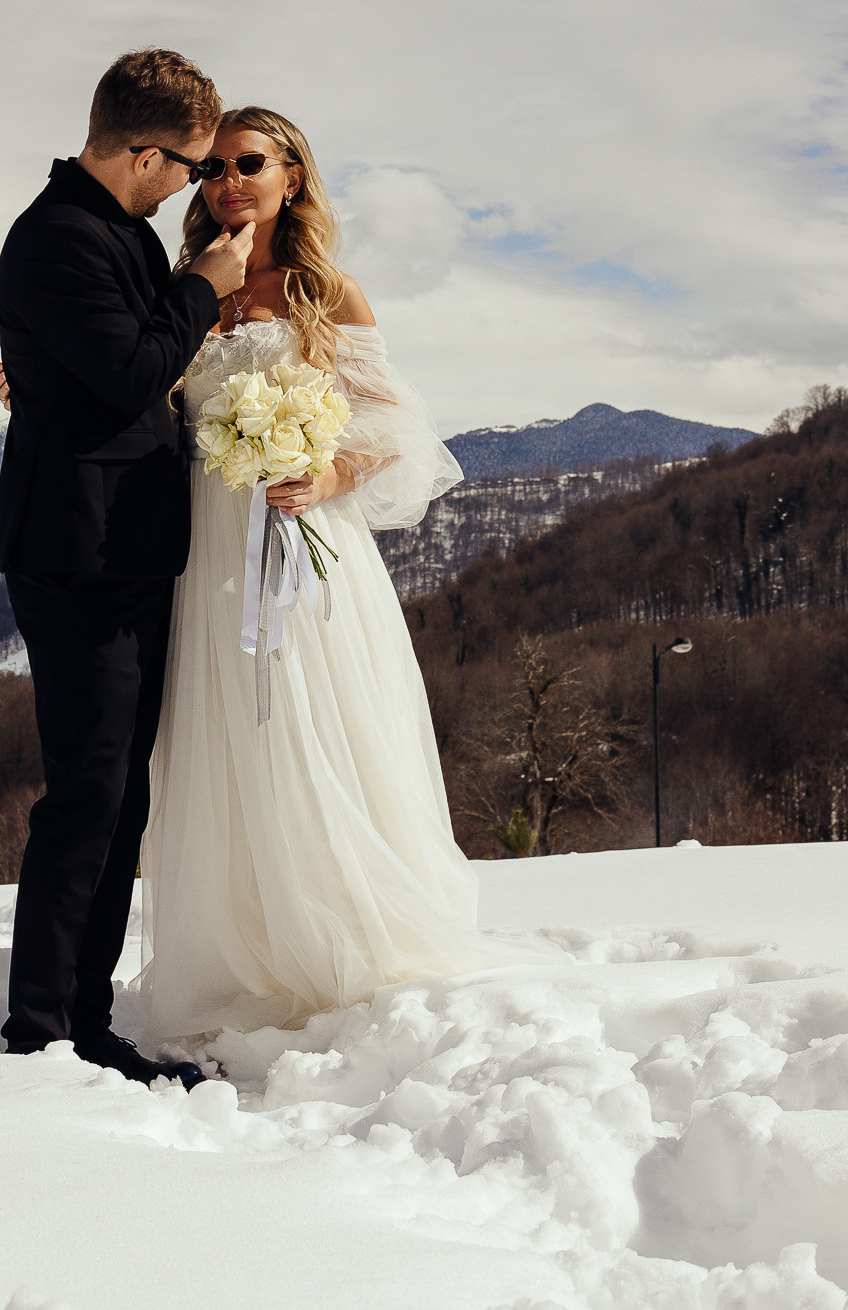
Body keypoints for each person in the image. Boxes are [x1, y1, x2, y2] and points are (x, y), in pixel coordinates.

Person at [130, 105, 550, 1042]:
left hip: (299, 538)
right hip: (204, 547)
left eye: (249, 163)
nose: (228, 182)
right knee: (222, 734)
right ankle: (241, 946)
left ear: (292, 176)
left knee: (305, 720)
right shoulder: (182, 286)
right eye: (212, 168)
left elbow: (397, 428)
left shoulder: (326, 291)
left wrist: (324, 474)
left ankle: (339, 934)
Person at [0, 48, 254, 1084]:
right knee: (88, 792)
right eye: (190, 166)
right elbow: (135, 370)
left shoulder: (115, 233)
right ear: (145, 155)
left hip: (125, 547)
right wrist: (202, 287)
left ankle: (83, 1019)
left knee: (118, 795)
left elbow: (118, 370)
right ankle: (42, 1028)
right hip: (78, 555)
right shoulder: (58, 237)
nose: (195, 184)